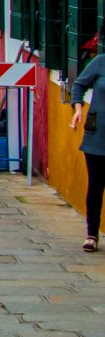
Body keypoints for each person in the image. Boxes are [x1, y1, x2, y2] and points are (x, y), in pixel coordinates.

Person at [69, 51, 105, 252]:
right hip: (97, 137)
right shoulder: (99, 62)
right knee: (96, 186)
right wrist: (78, 109)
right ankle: (92, 234)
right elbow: (79, 85)